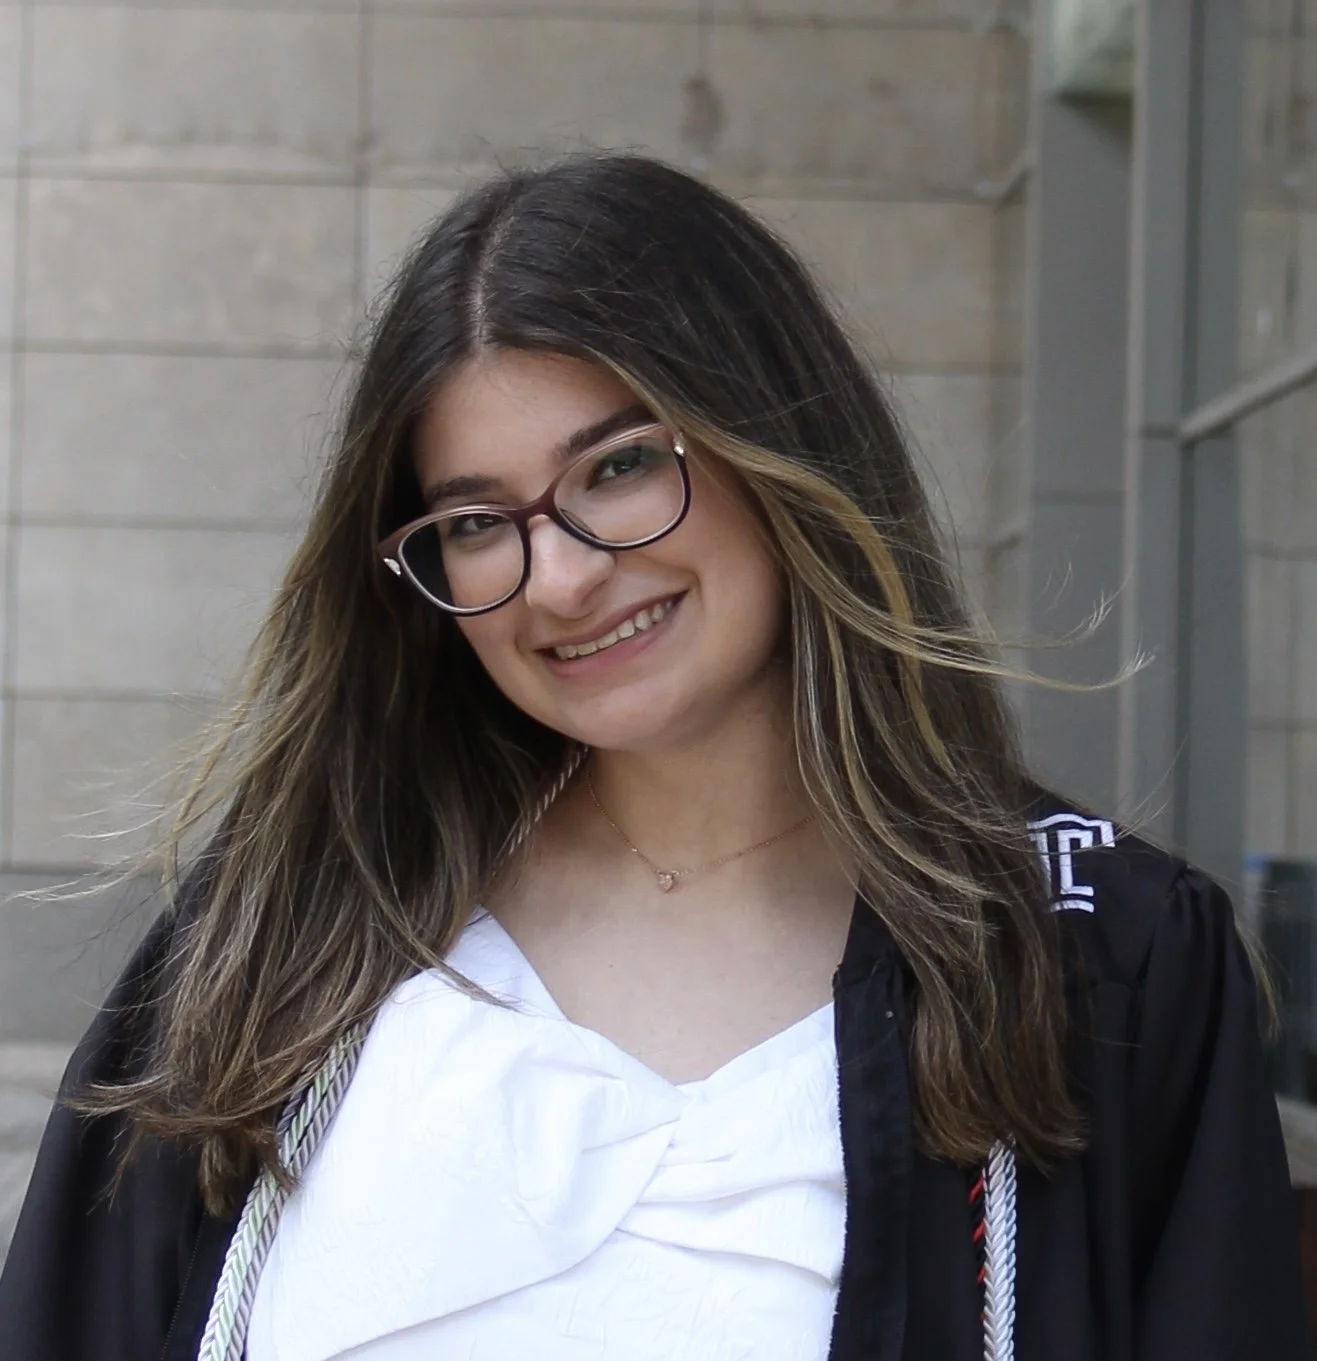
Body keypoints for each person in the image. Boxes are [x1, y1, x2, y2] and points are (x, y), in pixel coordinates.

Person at [0, 153, 1308, 1361]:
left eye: (620, 465)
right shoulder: (294, 931)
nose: (559, 577)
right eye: (473, 522)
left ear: (777, 449)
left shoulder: (1097, 964)